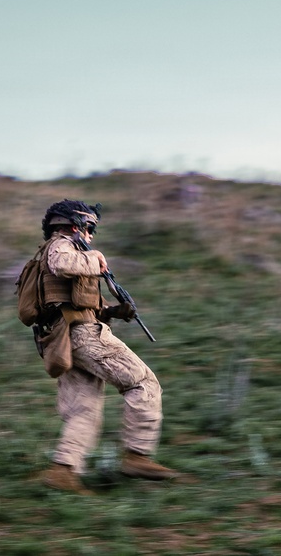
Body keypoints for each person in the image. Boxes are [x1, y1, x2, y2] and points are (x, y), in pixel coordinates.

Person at [31, 199, 178, 495]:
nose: (92, 235)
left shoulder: (48, 255)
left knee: (84, 409)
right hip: (84, 336)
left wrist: (111, 311)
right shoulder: (62, 248)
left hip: (62, 339)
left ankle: (63, 470)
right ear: (75, 225)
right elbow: (61, 265)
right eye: (90, 228)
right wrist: (95, 259)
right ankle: (137, 455)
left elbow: (71, 303)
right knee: (142, 382)